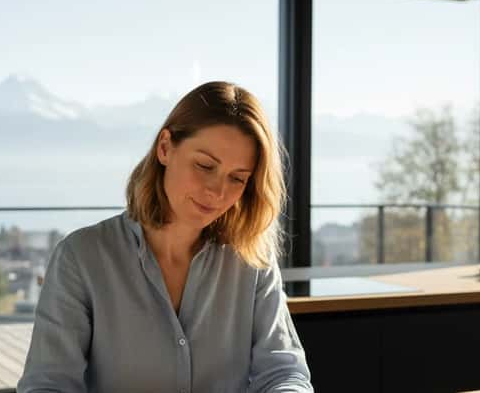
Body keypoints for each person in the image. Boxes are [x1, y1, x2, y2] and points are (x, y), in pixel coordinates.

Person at [17, 81, 312, 392]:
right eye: (205, 165)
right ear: (165, 148)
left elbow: (284, 373)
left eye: (237, 178)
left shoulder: (253, 262)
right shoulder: (82, 257)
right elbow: (47, 385)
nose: (217, 191)